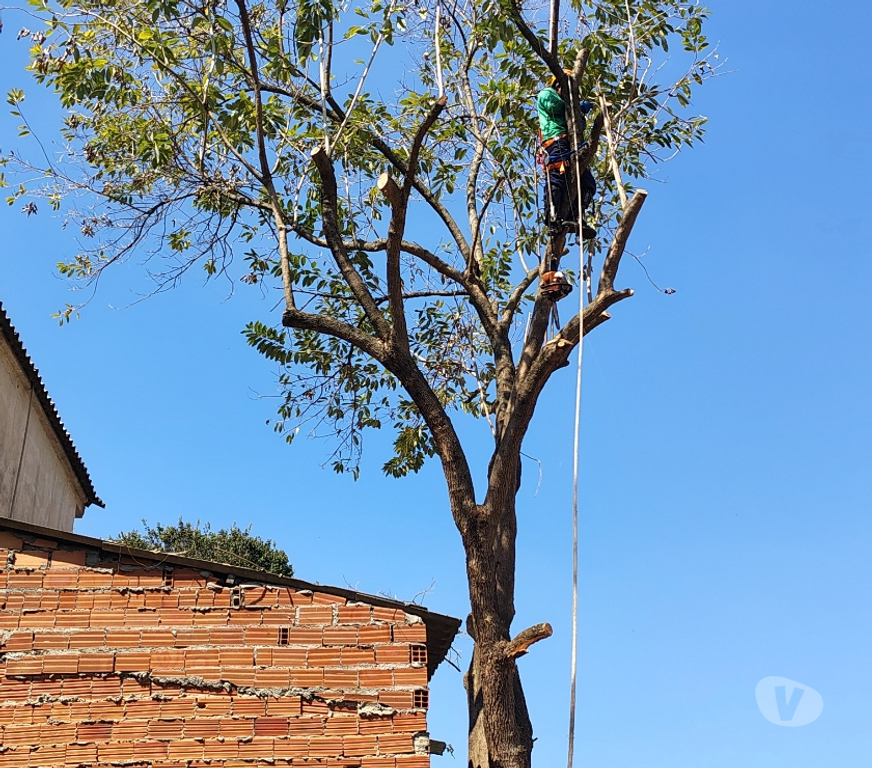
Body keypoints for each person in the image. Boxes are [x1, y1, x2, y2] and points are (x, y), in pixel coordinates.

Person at [537, 71, 596, 239]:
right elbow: (554, 106)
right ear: (558, 84)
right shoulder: (547, 94)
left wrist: (579, 113)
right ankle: (553, 217)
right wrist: (575, 107)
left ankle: (575, 216)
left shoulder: (569, 104)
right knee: (557, 176)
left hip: (572, 144)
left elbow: (580, 125)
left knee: (587, 182)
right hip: (555, 142)